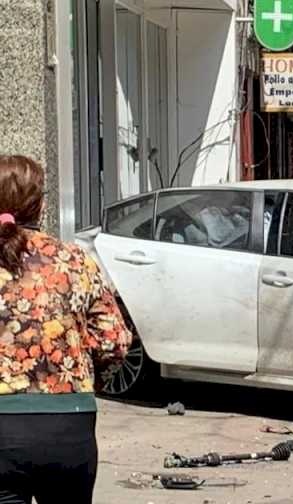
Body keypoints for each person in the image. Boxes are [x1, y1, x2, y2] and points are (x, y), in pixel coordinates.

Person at [0, 155, 132, 504]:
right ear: (40, 205)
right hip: (68, 425)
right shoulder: (73, 260)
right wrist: (86, 380)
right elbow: (114, 342)